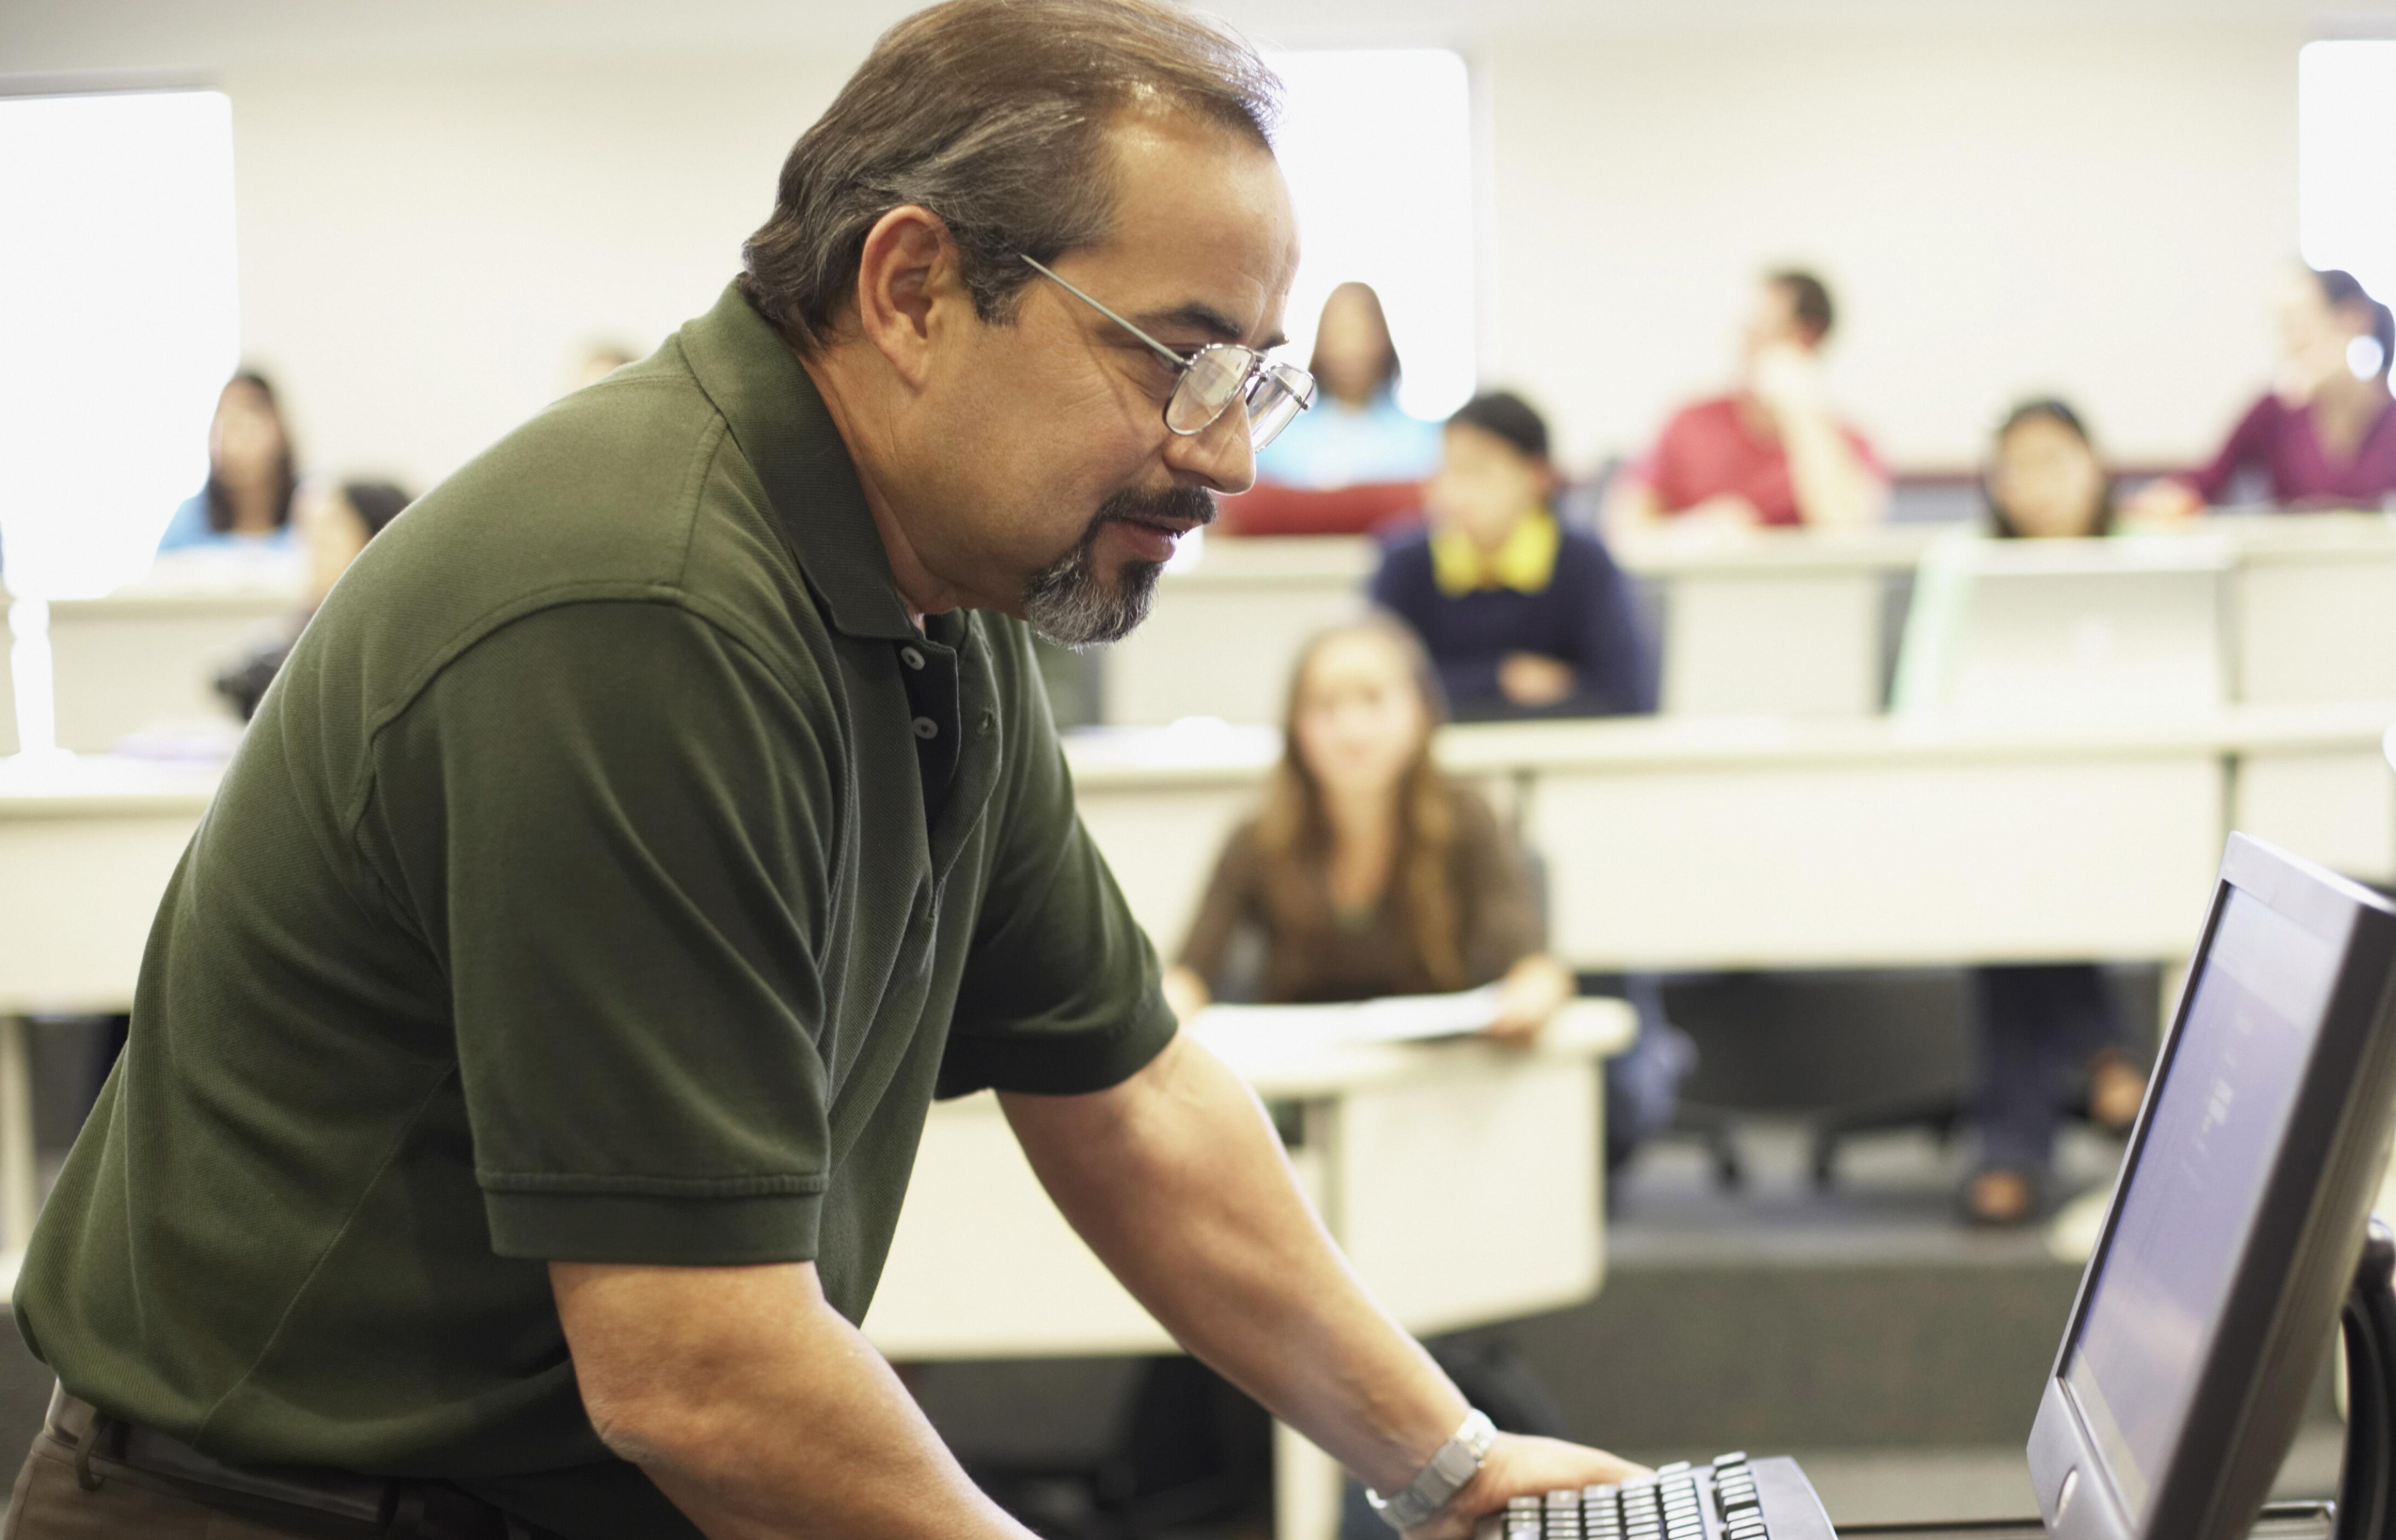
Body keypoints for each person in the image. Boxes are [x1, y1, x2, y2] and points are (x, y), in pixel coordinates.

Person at [9, 6, 1640, 1538]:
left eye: (1257, 382)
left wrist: (1448, 1464)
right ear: (914, 289)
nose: (1223, 454)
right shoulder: (641, 604)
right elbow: (694, 1361)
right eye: (1178, 361)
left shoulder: (936, 588)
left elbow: (1129, 1096)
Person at [1894, 400, 2148, 1224]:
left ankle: (2011, 1147)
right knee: (2012, 880)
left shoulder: (2150, 559)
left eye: (2054, 460)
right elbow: (1921, 703)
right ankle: (2106, 1050)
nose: (2034, 485)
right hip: (1999, 801)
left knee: (2016, 891)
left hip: (2133, 805)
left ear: (2095, 464)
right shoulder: (1964, 562)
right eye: (2016, 465)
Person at [1162, 616, 1574, 1030]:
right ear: (1295, 726)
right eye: (1325, 706)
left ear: (1420, 712)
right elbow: (1188, 975)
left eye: (1373, 700)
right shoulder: (1256, 836)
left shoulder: (1468, 818)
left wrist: (1532, 995)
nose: (1351, 729)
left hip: (1435, 1081)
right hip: (1302, 1079)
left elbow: (1532, 967)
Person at [1369, 392, 1652, 720]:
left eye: (1476, 471)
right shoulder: (1405, 562)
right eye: (1446, 469)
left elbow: (1626, 695)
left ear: (1537, 476)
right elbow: (1381, 690)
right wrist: (1500, 678)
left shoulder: (1585, 563)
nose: (1452, 492)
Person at [1606, 269, 1888, 533]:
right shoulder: (1691, 422)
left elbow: (1846, 530)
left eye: (1763, 329)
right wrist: (1693, 530)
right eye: (1747, 328)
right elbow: (1624, 523)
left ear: (1806, 339)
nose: (1746, 343)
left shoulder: (1847, 443)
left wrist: (1802, 410)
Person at [2130, 267, 2396, 517]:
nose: (2291, 342)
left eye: (2301, 322)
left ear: (2352, 320)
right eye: (2284, 327)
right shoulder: (2274, 413)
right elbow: (2207, 479)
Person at [213, 479, 414, 720]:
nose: (312, 561)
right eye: (308, 542)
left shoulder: (384, 655)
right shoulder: (304, 629)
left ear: (376, 550)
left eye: (325, 545)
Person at [1255, 281, 1442, 491]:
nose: (1349, 348)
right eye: (1339, 332)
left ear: (1383, 342)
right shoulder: (1276, 444)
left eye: (1360, 332)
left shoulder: (1426, 441)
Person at [156, 371, 300, 551]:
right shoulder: (190, 521)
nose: (230, 446)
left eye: (243, 428)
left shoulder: (313, 513)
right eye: (221, 429)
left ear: (278, 431)